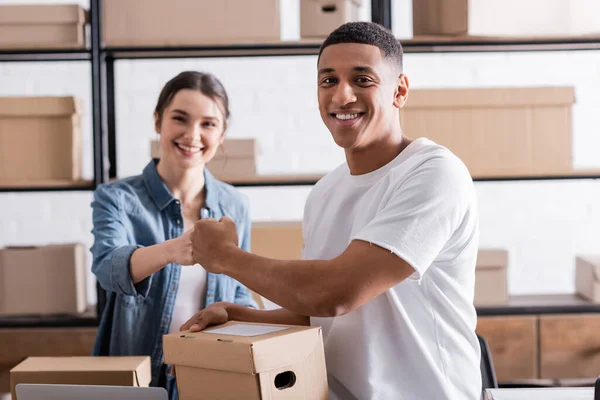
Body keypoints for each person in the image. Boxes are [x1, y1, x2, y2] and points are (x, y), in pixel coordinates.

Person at [181, 22, 482, 400]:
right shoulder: (325, 192)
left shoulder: (434, 173)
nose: (342, 95)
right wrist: (240, 315)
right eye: (328, 81)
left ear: (399, 90)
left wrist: (225, 257)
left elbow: (336, 292)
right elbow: (321, 314)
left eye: (362, 79)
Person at [89, 71, 257, 399]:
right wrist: (171, 251)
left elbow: (240, 293)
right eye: (180, 119)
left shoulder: (235, 205)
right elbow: (108, 268)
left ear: (222, 134)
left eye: (208, 124)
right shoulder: (117, 198)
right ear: (158, 121)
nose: (192, 135)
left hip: (209, 379)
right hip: (135, 381)